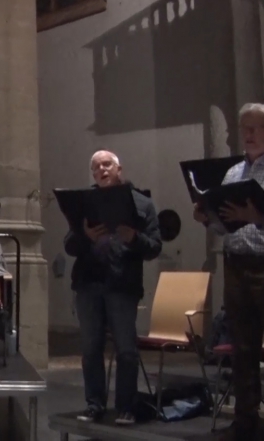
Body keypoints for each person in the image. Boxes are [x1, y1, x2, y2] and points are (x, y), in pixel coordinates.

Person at [192, 103, 264, 441]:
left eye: (256, 128)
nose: (249, 135)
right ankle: (245, 420)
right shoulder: (233, 174)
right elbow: (226, 225)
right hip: (238, 267)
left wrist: (262, 218)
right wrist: (209, 219)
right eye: (245, 128)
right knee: (242, 349)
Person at [65, 150, 161, 425]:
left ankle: (125, 407)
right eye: (96, 167)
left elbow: (154, 246)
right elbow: (69, 245)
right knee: (90, 349)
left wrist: (134, 238)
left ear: (119, 169)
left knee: (126, 350)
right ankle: (94, 405)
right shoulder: (85, 203)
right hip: (88, 283)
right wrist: (85, 235)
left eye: (107, 165)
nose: (101, 170)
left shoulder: (142, 203)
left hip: (122, 284)